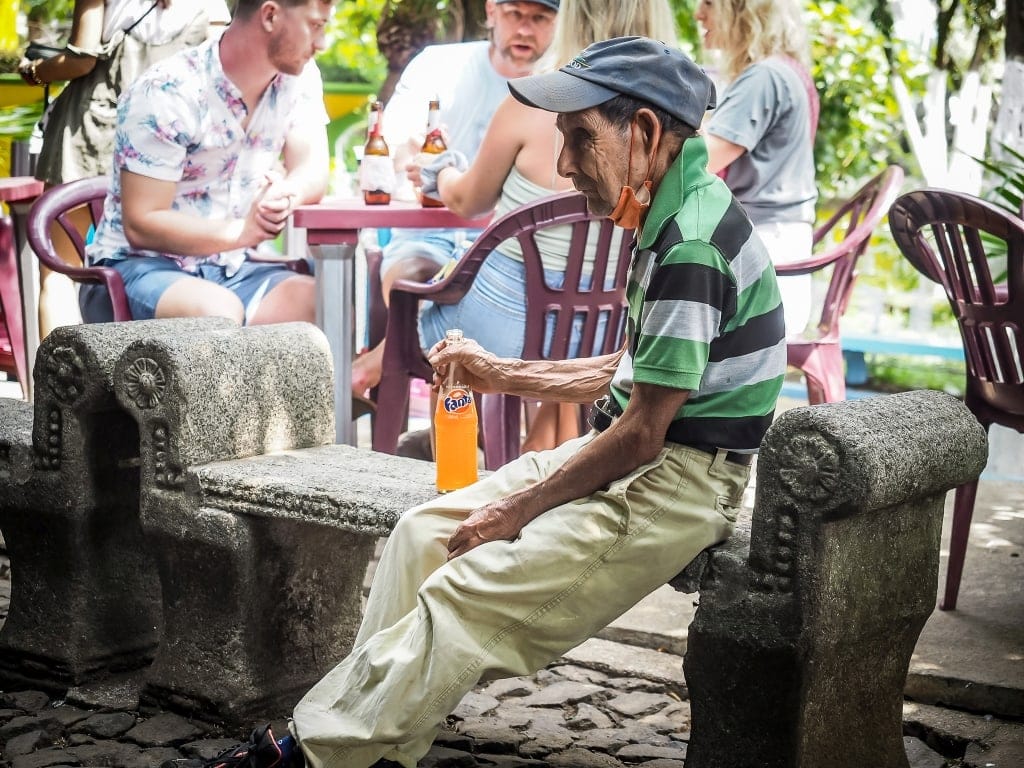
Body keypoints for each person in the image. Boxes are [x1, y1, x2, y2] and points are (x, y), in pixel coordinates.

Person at [172, 36, 786, 768]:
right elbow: (634, 376)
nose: (563, 164)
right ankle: (368, 743)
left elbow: (645, 431)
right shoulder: (666, 211)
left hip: (679, 483)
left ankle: (310, 753)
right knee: (424, 535)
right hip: (642, 455)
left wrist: (518, 509)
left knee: (466, 590)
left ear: (646, 133)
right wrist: (500, 372)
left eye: (578, 137)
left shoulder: (690, 242)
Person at [408, 0, 678, 454]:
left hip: (504, 329)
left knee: (421, 302)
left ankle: (455, 465)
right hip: (604, 328)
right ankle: (535, 458)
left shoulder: (532, 102)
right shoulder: (671, 130)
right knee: (562, 321)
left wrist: (442, 172)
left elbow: (467, 200)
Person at [350, 0, 560, 396]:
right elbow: (387, 146)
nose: (526, 30)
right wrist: (412, 151)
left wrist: (442, 174)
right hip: (430, 236)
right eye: (516, 14)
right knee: (416, 282)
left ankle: (376, 372)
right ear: (492, 12)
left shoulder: (560, 89)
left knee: (474, 305)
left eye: (540, 18)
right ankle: (439, 425)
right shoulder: (438, 66)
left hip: (512, 256)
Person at [81, 0, 333, 326]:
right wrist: (243, 232)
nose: (322, 43)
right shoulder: (168, 90)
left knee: (329, 303)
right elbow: (142, 224)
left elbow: (312, 170)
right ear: (269, 15)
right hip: (137, 268)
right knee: (218, 314)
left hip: (231, 267)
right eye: (315, 26)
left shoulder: (300, 79)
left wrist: (285, 194)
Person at [19, 0, 232, 339]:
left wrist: (33, 71)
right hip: (166, 141)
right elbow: (218, 65)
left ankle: (63, 387)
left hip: (93, 132)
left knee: (60, 270)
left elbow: (82, 59)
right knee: (161, 268)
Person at [695, 0, 819, 336]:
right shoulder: (785, 70)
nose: (698, 14)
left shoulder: (764, 77)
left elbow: (698, 160)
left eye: (708, 3)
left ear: (742, 11)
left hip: (763, 266)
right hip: (777, 251)